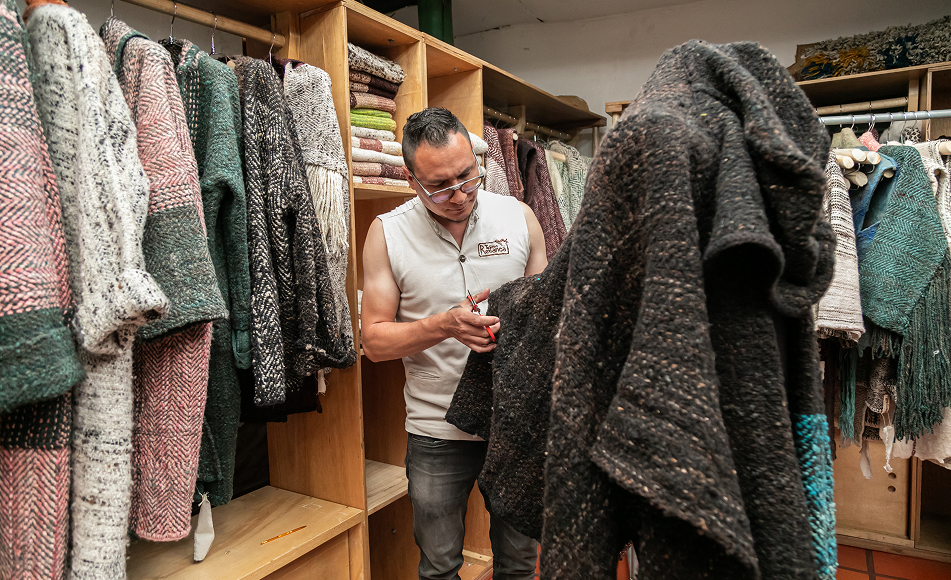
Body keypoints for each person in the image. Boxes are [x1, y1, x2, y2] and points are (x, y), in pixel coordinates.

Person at [361, 107, 547, 580]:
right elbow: (374, 342)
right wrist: (444, 325)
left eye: (467, 176)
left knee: (520, 565)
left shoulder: (520, 218)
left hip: (515, 422)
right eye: (440, 187)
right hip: (436, 430)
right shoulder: (387, 234)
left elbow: (547, 322)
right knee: (439, 567)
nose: (459, 195)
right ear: (411, 180)